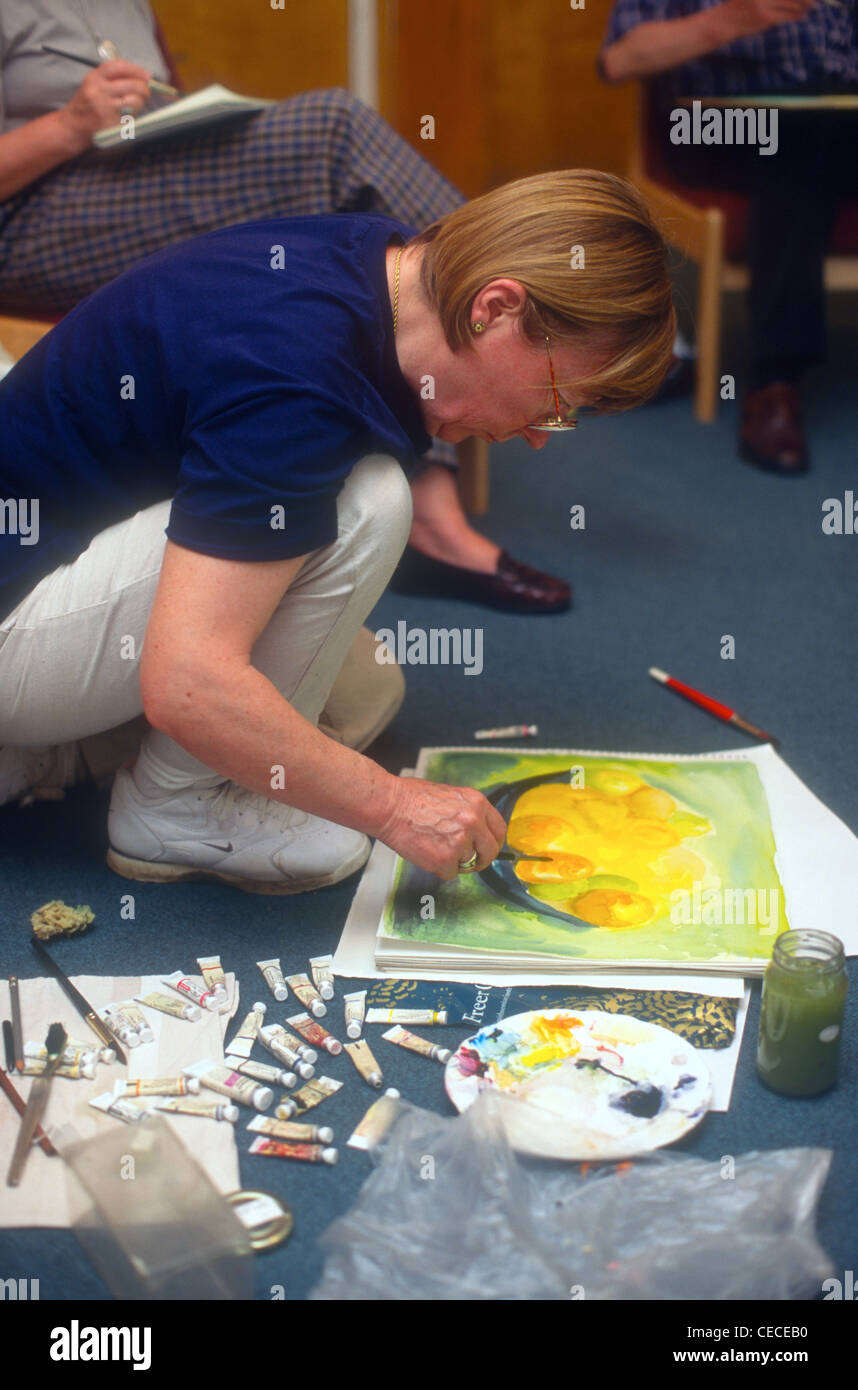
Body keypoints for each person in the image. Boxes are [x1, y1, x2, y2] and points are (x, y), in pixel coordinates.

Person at [0, 170, 675, 892]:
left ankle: (48, 755)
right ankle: (173, 809)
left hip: (57, 560)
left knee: (364, 689)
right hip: (15, 615)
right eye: (553, 402)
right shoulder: (298, 378)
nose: (540, 438)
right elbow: (188, 682)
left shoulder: (381, 263)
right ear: (497, 308)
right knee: (370, 500)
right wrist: (393, 806)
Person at [0, 0, 568, 611]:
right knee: (332, 132)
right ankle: (545, 326)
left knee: (346, 223)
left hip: (132, 176)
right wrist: (70, 124)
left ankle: (457, 424)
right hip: (31, 213)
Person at [600, 0, 858, 473]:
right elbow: (620, 59)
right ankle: (774, 381)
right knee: (795, 143)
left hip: (836, 118)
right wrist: (730, 20)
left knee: (815, 134)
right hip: (711, 123)